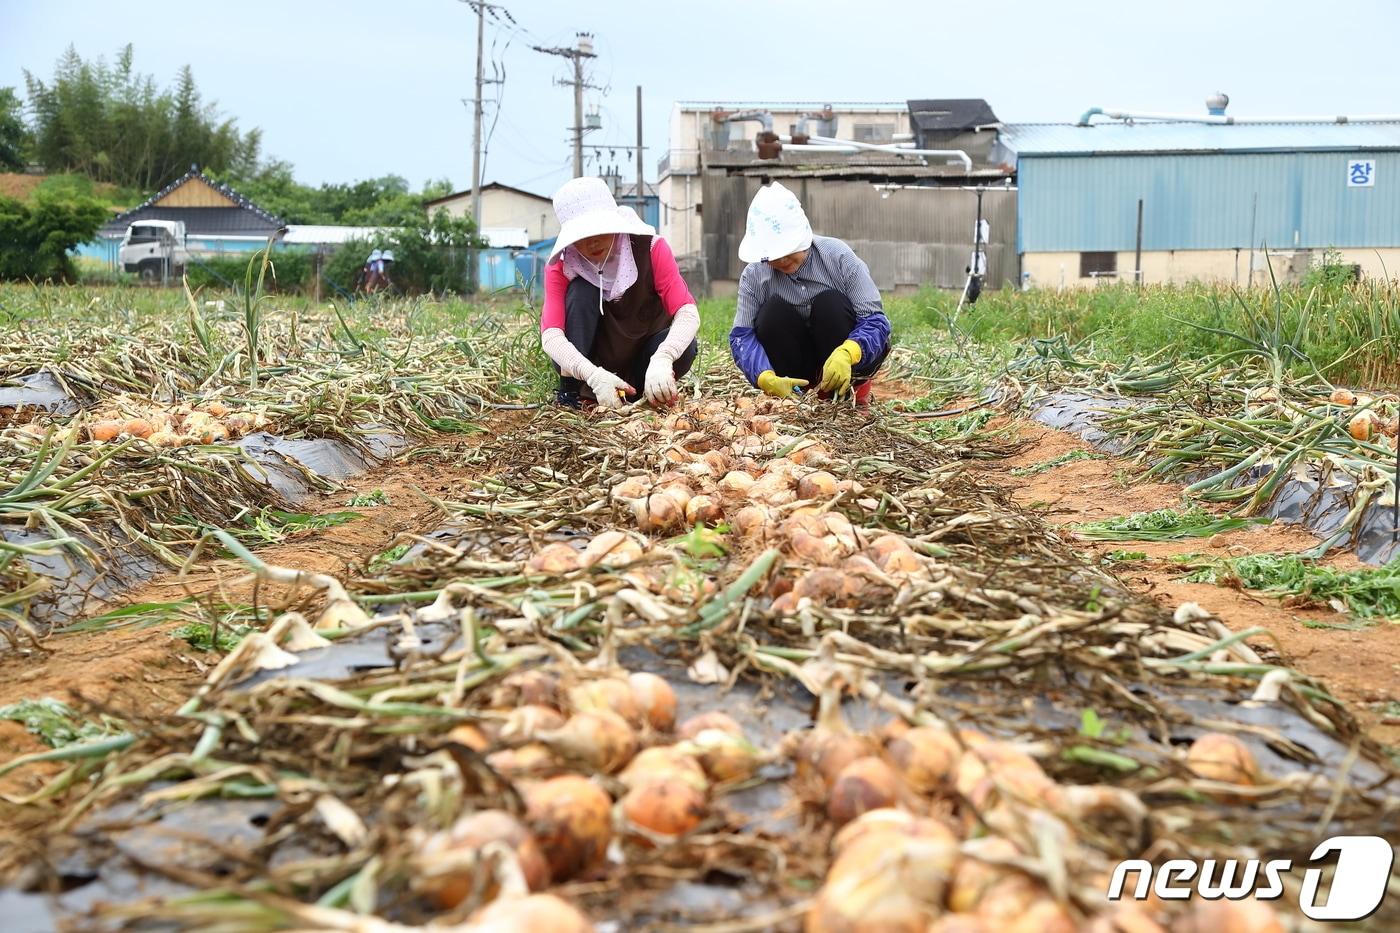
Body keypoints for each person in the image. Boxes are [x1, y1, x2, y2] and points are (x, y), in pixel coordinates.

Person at [540, 177, 699, 410]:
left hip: (643, 355)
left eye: (598, 230)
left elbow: (688, 312)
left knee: (686, 346)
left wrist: (663, 357)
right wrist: (592, 375)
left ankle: (647, 390)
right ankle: (572, 392)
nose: (592, 241)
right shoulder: (563, 266)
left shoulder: (651, 248)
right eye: (581, 236)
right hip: (590, 363)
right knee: (581, 290)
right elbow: (551, 336)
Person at [728, 182, 891, 405]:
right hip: (796, 366)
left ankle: (850, 392)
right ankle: (799, 396)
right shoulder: (755, 276)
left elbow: (876, 322)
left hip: (842, 356)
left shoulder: (839, 257)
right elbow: (742, 336)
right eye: (772, 256)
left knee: (830, 303)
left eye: (786, 252)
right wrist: (764, 376)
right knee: (771, 314)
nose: (780, 261)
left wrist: (849, 351)